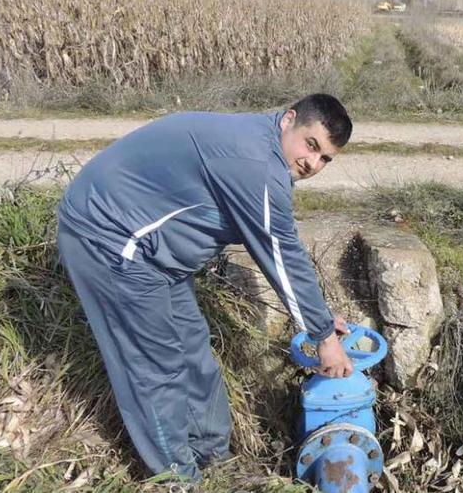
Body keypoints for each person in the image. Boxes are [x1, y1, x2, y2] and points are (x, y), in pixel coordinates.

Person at [56, 93, 355, 480]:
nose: (312, 163)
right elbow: (281, 252)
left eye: (325, 158)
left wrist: (319, 317)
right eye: (311, 145)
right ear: (289, 119)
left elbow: (279, 252)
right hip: (109, 239)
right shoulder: (256, 162)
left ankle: (216, 459)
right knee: (155, 366)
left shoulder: (264, 147)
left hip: (154, 251)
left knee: (193, 348)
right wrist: (322, 336)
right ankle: (177, 479)